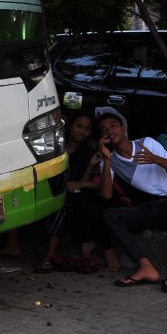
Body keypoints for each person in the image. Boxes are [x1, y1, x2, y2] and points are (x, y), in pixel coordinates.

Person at [95, 106, 167, 293]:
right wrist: (107, 160)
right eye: (104, 130)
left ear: (123, 128)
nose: (110, 131)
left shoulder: (147, 143)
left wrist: (156, 159)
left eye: (113, 126)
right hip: (142, 211)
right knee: (109, 214)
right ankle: (145, 267)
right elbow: (106, 195)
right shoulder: (109, 158)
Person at [36, 110, 121, 273]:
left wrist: (89, 166)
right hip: (47, 193)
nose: (82, 131)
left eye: (87, 129)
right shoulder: (54, 147)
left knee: (63, 207)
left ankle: (49, 256)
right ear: (70, 126)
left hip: (69, 198)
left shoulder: (88, 153)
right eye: (78, 126)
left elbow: (82, 182)